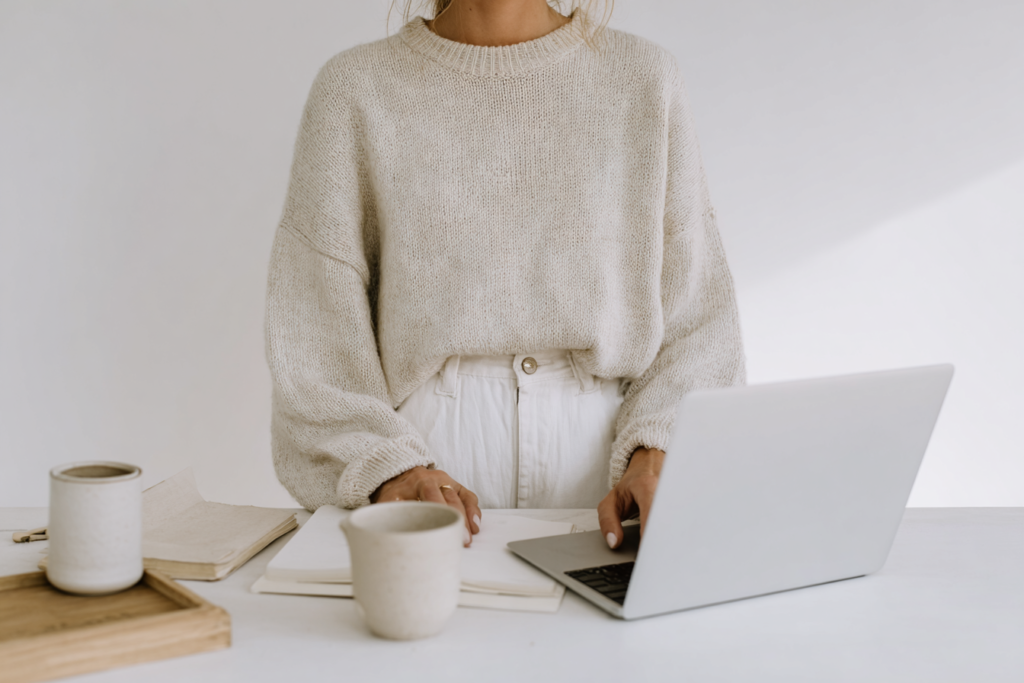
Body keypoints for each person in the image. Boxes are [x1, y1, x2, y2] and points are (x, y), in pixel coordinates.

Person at [264, 0, 746, 550]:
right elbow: (313, 330)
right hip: (425, 466)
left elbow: (698, 319)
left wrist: (659, 448)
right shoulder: (355, 88)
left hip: (609, 465)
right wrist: (386, 466)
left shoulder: (643, 79)